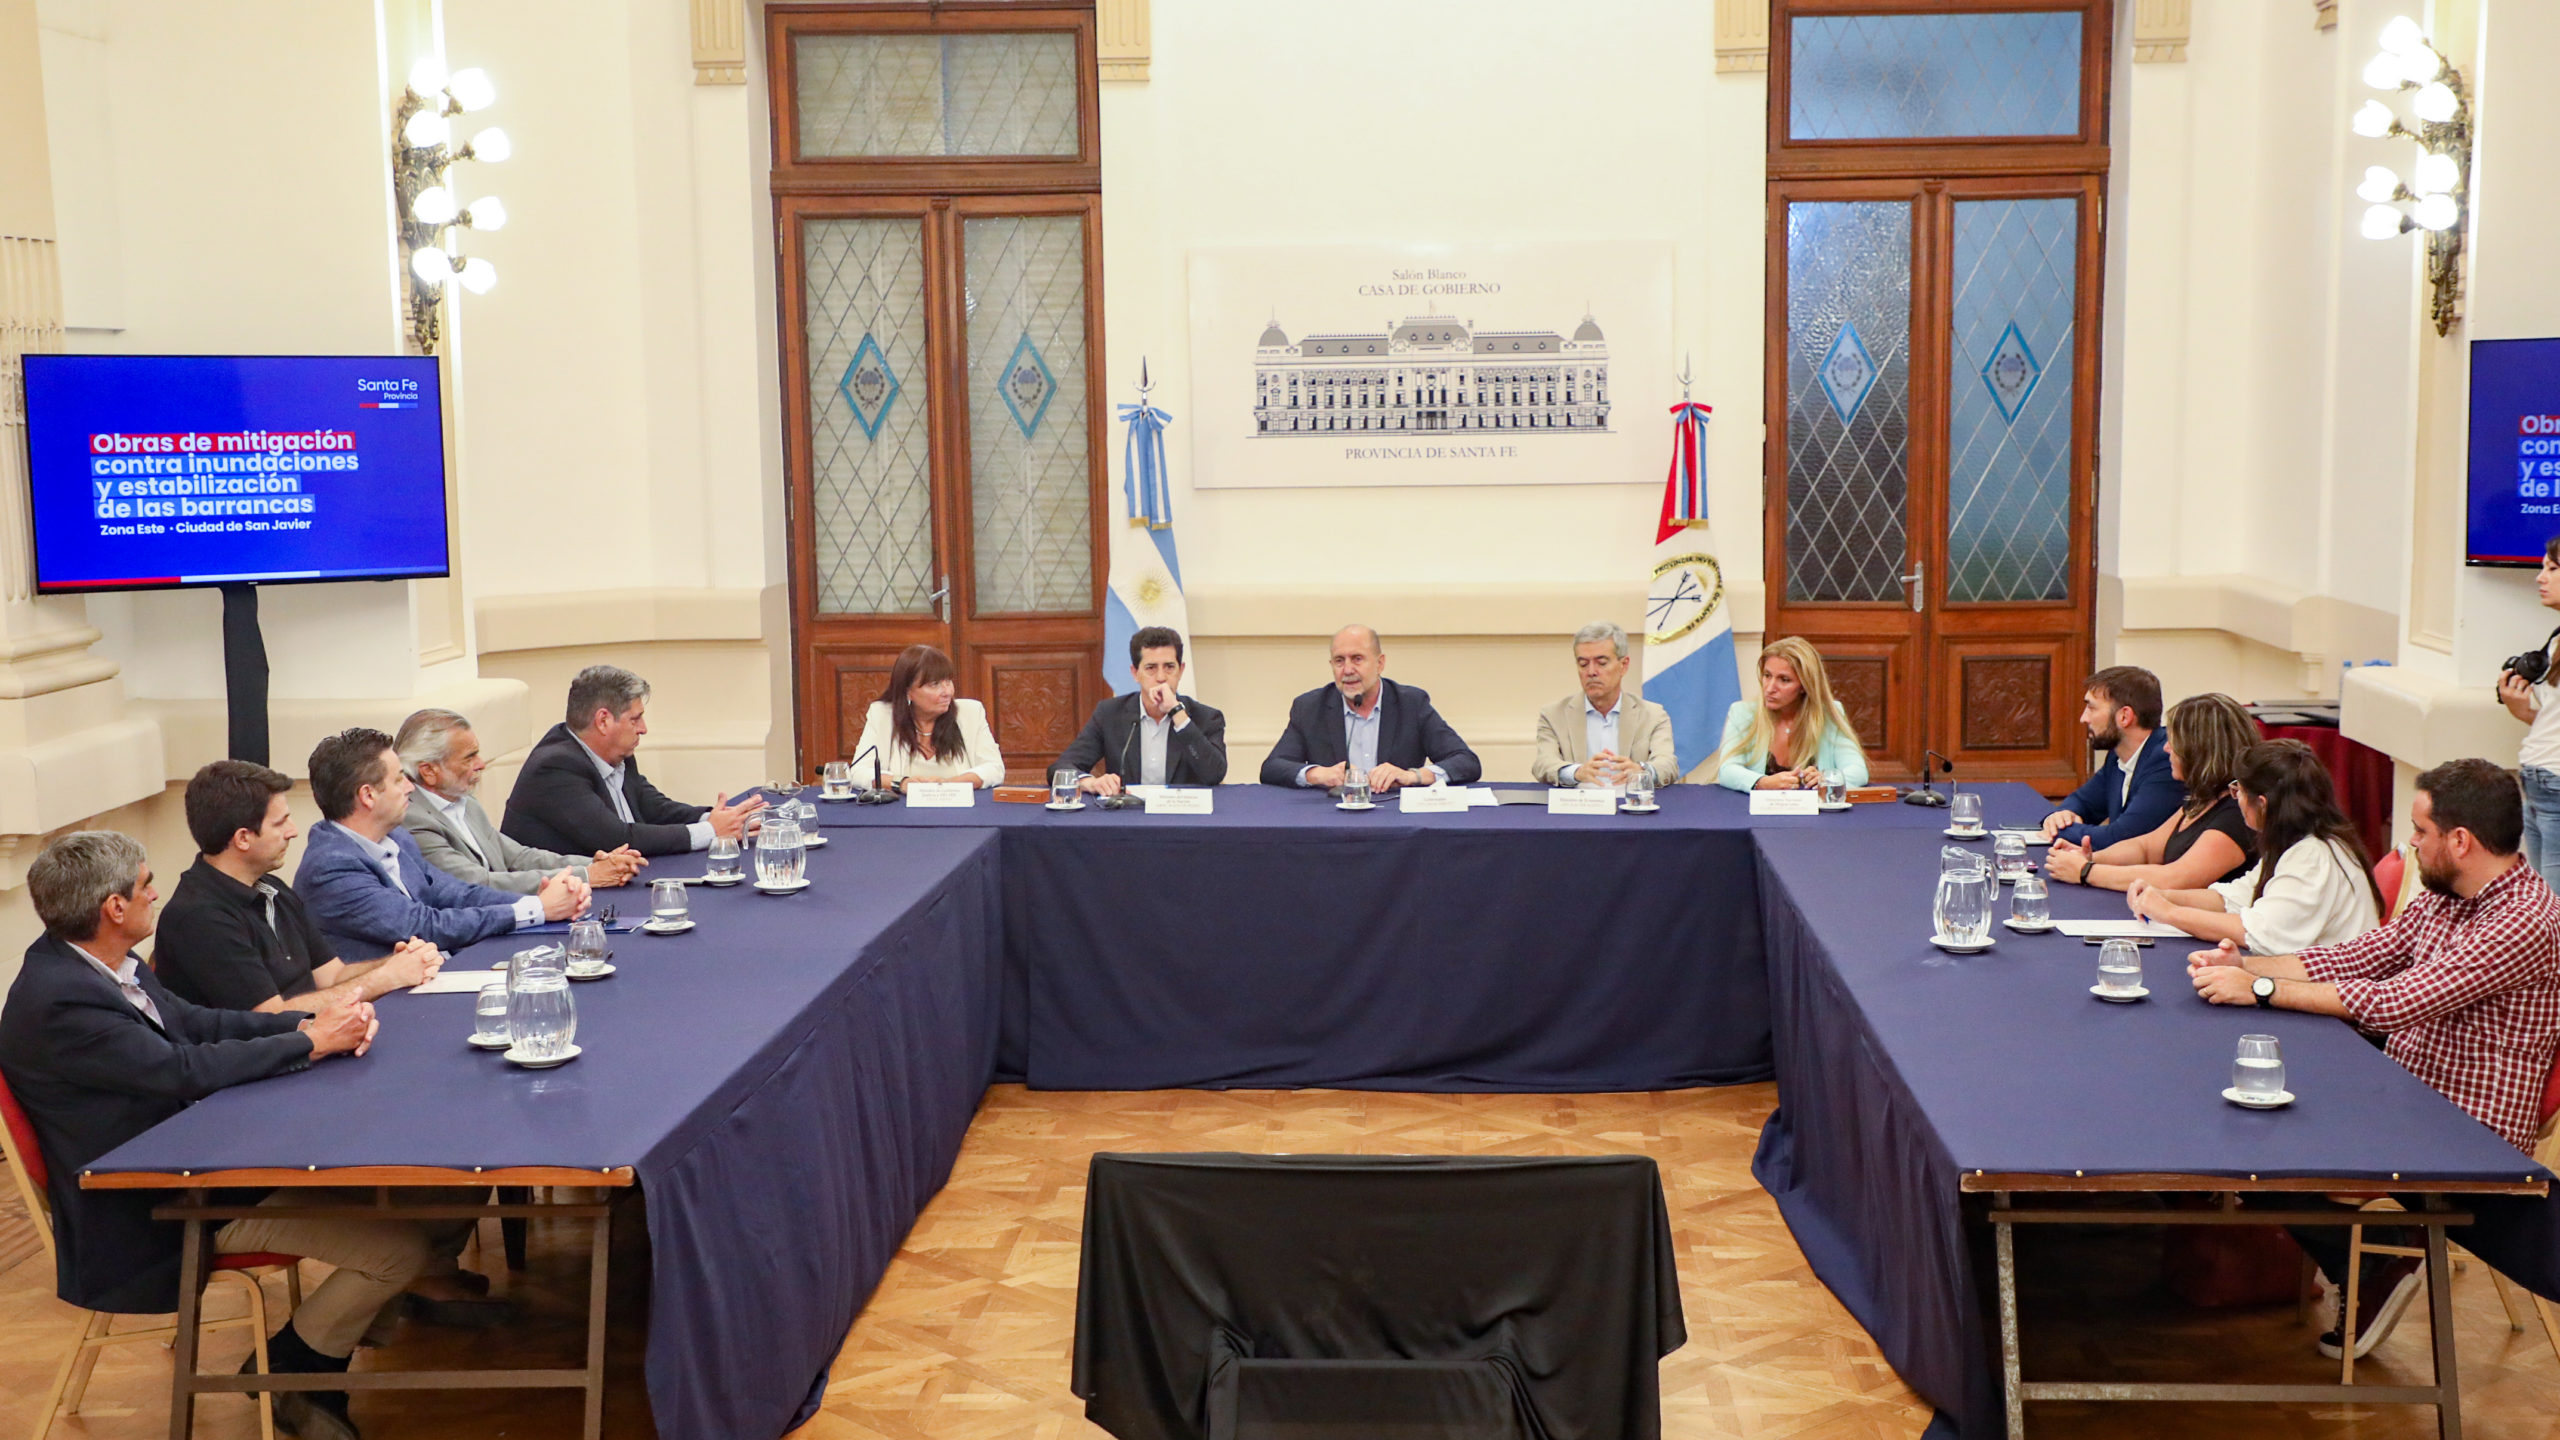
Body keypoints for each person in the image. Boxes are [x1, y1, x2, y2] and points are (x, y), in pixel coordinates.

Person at [0, 830, 450, 1440]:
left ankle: (335, 1338)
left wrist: (309, 1024)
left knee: (400, 1193)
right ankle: (292, 1373)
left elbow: (197, 1023)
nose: (155, 893)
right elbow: (180, 1069)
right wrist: (311, 1044)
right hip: (154, 1207)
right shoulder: (61, 999)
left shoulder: (98, 963)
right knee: (396, 1249)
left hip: (197, 1161)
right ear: (114, 908)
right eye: (145, 885)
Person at [2189, 759, 2560, 1358]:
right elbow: (2362, 955)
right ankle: (2372, 1261)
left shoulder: (2522, 921)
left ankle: (2376, 1261)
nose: (2410, 843)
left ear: (2460, 841)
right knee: (2242, 1118)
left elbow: (2394, 1003)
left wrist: (2260, 988)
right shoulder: (2449, 895)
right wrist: (2246, 965)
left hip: (2462, 1130)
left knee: (2256, 1149)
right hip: (2406, 1093)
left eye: (2420, 831)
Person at [154, 760, 447, 1013]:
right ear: (243, 838)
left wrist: (395, 963)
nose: (293, 832)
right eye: (280, 823)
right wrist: (385, 979)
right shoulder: (199, 917)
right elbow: (271, 1016)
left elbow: (332, 976)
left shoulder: (273, 889)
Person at [299, 727, 586, 964]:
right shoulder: (332, 867)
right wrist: (536, 909)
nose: (410, 787)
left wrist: (533, 903)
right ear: (368, 795)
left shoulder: (396, 837)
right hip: (389, 1003)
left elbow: (456, 893)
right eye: (399, 779)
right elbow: (422, 925)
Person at [2124, 739, 2382, 954]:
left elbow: (2257, 933)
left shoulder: (2313, 857)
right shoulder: (2296, 841)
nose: (2236, 799)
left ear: (2262, 804)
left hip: (2333, 991)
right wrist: (2163, 895)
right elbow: (2235, 898)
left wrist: (2169, 913)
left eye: (2239, 791)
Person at [502, 665, 765, 857]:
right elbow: (616, 839)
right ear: (603, 721)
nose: (643, 729)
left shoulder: (618, 753)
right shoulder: (554, 768)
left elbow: (655, 808)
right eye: (635, 719)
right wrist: (710, 831)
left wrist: (720, 818)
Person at [397, 708, 645, 894]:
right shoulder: (413, 819)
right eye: (469, 758)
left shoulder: (466, 803)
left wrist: (597, 862)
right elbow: (478, 883)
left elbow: (518, 857)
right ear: (429, 771)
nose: (481, 764)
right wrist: (586, 875)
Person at [2045, 693, 2258, 891]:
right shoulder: (2204, 797)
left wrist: (2086, 872)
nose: (2166, 748)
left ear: (2199, 750)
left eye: (2174, 741)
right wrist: (2089, 858)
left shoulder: (2236, 812)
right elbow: (2145, 848)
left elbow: (2176, 878)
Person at [1259, 625, 1482, 791]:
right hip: (1333, 819)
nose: (1347, 670)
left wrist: (1412, 776)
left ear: (1380, 663)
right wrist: (1318, 774)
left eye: (1357, 659)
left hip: (1397, 819)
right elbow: (1272, 767)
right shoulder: (1310, 707)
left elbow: (1466, 761)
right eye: (1339, 661)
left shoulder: (1411, 704)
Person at [1055, 626, 1228, 793]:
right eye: (1151, 668)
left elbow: (1214, 774)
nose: (1161, 677)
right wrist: (1091, 783)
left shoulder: (1206, 718)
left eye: (1169, 667)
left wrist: (1177, 714)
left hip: (1182, 811)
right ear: (1135, 673)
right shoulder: (1109, 714)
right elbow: (1061, 769)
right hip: (1129, 811)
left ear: (1180, 671)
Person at [2041, 665, 2186, 845]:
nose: (2083, 718)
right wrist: (2062, 815)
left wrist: (2061, 830)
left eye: (2092, 708)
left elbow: (2122, 837)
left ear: (2124, 716)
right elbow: (2083, 801)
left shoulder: (2166, 761)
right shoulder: (2117, 756)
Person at [1532, 621, 1678, 788]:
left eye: (1601, 663)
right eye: (1583, 664)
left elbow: (1667, 764)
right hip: (1578, 802)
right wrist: (1576, 773)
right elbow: (1543, 764)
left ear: (1623, 666)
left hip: (1629, 801)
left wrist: (1641, 771)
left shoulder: (1653, 716)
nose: (1591, 672)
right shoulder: (1553, 716)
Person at [1711, 637, 1868, 792]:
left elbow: (1858, 771)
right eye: (1767, 675)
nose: (1770, 688)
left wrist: (1826, 779)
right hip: (1757, 807)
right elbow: (1727, 770)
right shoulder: (1743, 714)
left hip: (1815, 808)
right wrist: (1762, 782)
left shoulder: (1829, 714)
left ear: (1804, 685)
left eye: (1784, 680)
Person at [2495, 534, 2560, 891]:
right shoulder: (2556, 640)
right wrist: (2523, 712)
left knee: (2554, 904)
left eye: (2552, 568)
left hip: (2555, 785)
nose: (2540, 578)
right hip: (2537, 781)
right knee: (2542, 899)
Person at [851, 644, 1009, 789]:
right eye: (935, 684)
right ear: (908, 691)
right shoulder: (882, 715)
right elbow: (858, 772)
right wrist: (902, 783)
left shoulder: (971, 713)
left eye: (948, 682)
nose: (947, 692)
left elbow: (994, 768)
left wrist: (949, 784)